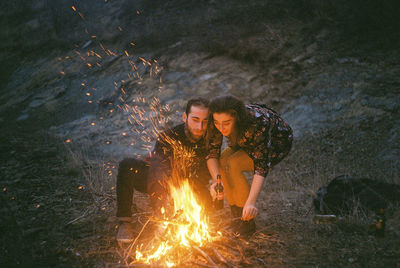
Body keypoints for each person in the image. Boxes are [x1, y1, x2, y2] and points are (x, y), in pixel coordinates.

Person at [116, 97, 211, 243]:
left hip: (189, 187)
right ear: (185, 117)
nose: (200, 127)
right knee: (127, 166)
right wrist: (161, 213)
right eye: (195, 120)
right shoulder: (168, 136)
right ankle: (125, 223)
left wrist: (185, 189)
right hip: (160, 182)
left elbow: (205, 175)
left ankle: (192, 223)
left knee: (205, 198)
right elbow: (157, 173)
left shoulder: (211, 139)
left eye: (205, 121)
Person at [206, 95, 293, 235]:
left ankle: (246, 223)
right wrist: (217, 181)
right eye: (217, 123)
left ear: (237, 117)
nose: (221, 128)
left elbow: (261, 167)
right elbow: (212, 153)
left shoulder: (257, 124)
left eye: (227, 123)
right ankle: (237, 217)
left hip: (276, 145)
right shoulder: (215, 120)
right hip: (244, 141)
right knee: (222, 162)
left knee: (234, 164)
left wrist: (251, 202)